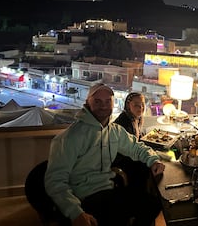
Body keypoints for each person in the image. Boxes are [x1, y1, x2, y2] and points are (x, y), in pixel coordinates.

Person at [45, 83, 165, 226]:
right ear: (87, 102)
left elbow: (136, 148)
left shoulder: (114, 130)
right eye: (97, 101)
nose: (103, 105)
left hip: (109, 190)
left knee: (154, 204)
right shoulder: (70, 137)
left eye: (108, 101)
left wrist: (154, 160)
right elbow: (55, 181)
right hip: (82, 198)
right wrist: (75, 213)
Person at [112, 92, 151, 192]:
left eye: (142, 104)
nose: (140, 107)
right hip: (121, 160)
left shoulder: (136, 118)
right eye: (136, 105)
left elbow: (138, 138)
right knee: (145, 166)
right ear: (128, 106)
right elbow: (128, 148)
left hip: (131, 154)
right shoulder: (124, 123)